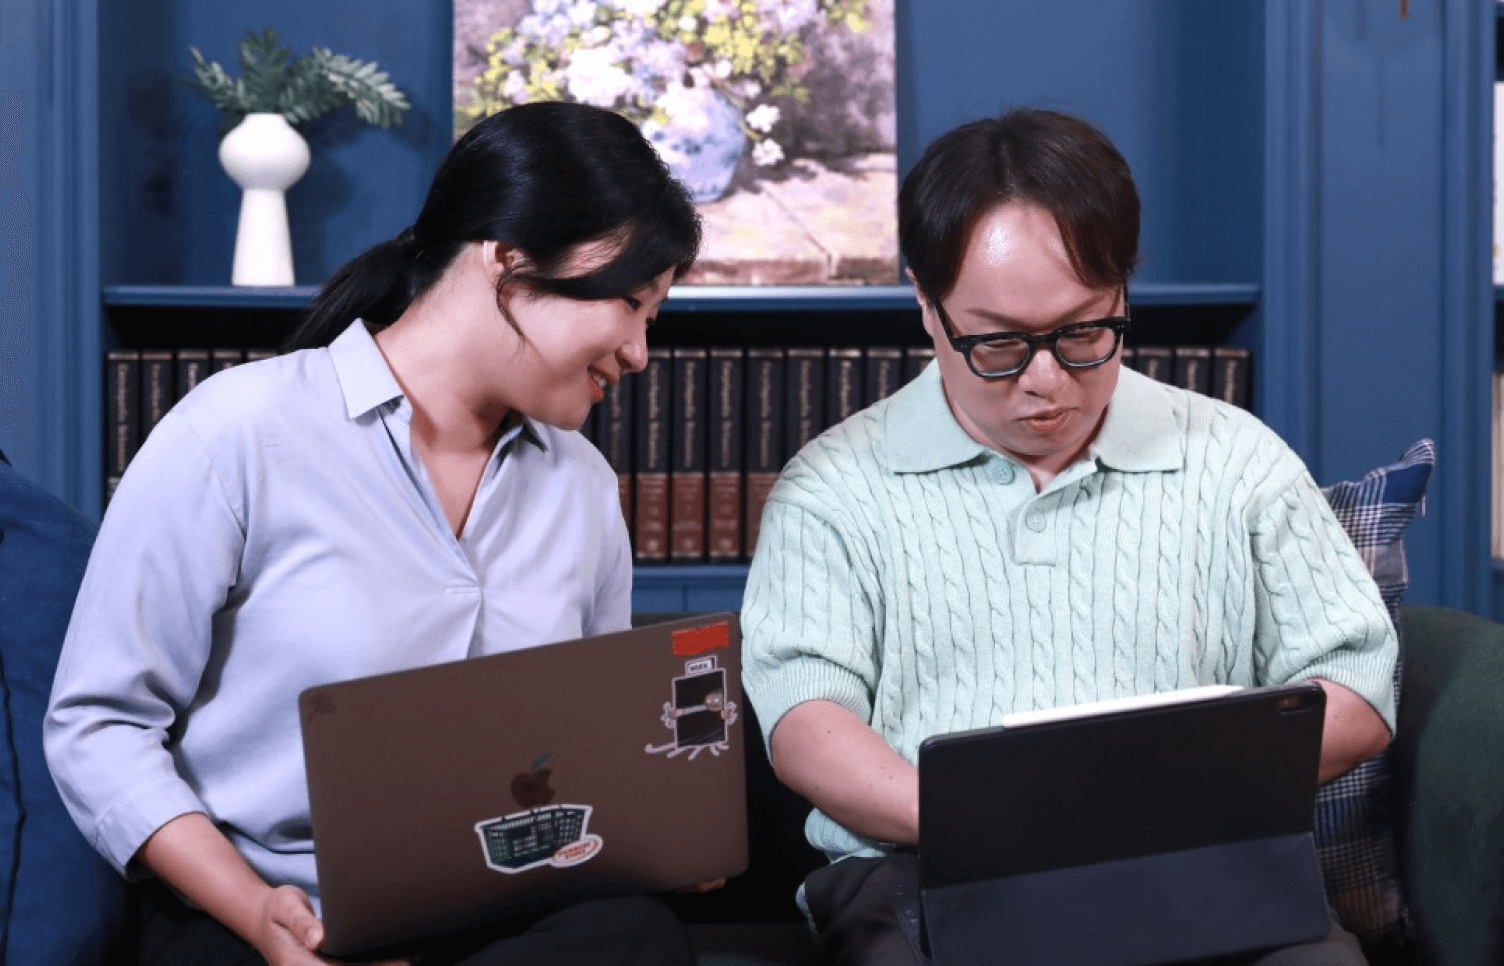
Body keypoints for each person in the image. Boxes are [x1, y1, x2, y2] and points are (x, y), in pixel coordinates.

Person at [46, 101, 704, 966]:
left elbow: (582, 747)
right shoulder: (236, 432)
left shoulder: (581, 485)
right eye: (631, 303)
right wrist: (259, 914)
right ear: (508, 258)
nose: (639, 352)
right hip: (264, 912)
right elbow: (98, 724)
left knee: (637, 938)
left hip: (499, 913)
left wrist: (656, 825)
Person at [739, 108, 1396, 966]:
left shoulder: (1238, 458)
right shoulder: (831, 487)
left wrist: (1163, 798)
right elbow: (804, 719)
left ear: (1122, 294)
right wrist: (983, 821)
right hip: (926, 868)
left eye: (1084, 332)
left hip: (1198, 862)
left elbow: (1357, 684)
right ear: (926, 304)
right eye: (998, 344)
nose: (1045, 381)